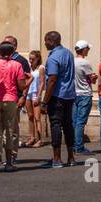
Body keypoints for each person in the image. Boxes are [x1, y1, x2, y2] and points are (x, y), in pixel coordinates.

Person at [0, 41, 27, 170]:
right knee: (9, 131)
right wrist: (28, 81)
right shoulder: (17, 65)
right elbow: (21, 85)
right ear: (12, 53)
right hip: (11, 99)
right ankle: (9, 163)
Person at [39, 31, 76, 168]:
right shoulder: (69, 53)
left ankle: (57, 158)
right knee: (68, 125)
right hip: (70, 95)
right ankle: (71, 157)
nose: (45, 43)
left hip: (57, 96)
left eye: (46, 41)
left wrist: (44, 101)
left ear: (52, 41)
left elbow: (52, 80)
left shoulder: (54, 58)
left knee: (56, 125)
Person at [72, 40, 96, 154]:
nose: (89, 50)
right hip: (84, 94)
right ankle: (79, 146)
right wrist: (94, 77)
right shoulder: (85, 63)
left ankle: (73, 144)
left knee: (74, 121)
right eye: (88, 48)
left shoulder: (71, 61)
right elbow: (92, 79)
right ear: (84, 49)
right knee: (81, 122)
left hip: (74, 93)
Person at [24, 50, 45, 148]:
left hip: (36, 93)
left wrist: (39, 95)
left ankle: (39, 139)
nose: (31, 61)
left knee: (37, 118)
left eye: (33, 59)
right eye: (30, 59)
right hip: (28, 93)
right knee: (30, 116)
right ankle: (31, 137)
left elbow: (42, 82)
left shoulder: (41, 68)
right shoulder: (29, 68)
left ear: (38, 59)